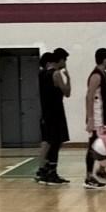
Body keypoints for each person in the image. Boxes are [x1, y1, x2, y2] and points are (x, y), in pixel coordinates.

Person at [83, 47, 106, 190]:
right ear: (105, 60)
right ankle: (88, 177)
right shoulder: (96, 75)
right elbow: (89, 97)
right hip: (98, 118)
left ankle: (101, 170)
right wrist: (90, 118)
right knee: (93, 146)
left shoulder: (103, 74)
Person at [35, 49, 71, 186]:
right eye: (64, 60)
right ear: (59, 60)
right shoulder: (56, 74)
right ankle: (51, 173)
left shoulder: (41, 74)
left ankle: (43, 170)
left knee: (47, 142)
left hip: (45, 113)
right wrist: (68, 78)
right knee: (55, 143)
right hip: (56, 113)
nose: (65, 63)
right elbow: (67, 92)